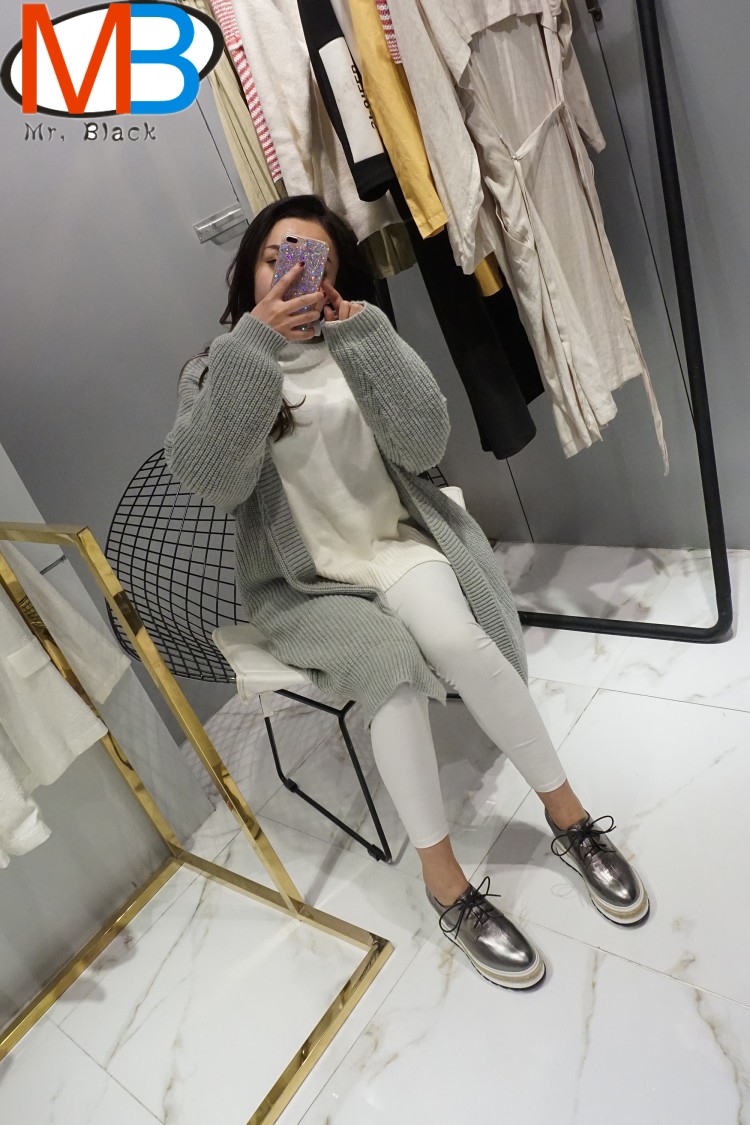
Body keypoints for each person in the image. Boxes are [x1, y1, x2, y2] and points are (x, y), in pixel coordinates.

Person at [164, 195, 649, 991]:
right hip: (307, 583)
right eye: (275, 257)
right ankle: (446, 884)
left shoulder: (361, 338)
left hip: (395, 542)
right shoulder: (215, 369)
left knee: (462, 641)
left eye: (312, 261)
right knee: (389, 670)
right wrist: (253, 345)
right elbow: (212, 480)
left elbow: (425, 445)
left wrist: (367, 338)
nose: (291, 274)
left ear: (334, 277)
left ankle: (570, 818)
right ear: (248, 268)